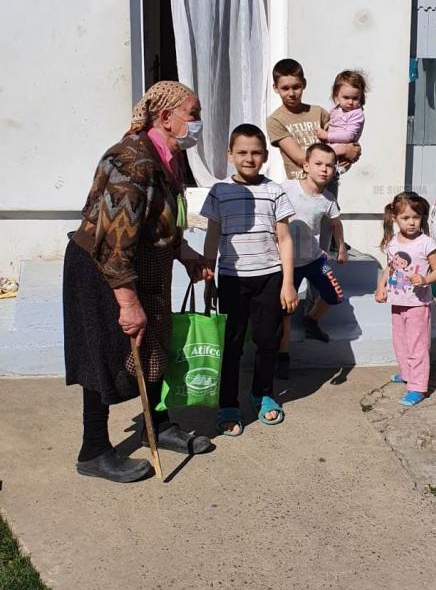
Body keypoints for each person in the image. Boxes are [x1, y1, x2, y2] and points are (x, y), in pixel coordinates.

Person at [63, 81, 215, 483]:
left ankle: (159, 425)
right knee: (107, 355)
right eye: (193, 114)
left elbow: (162, 218)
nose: (198, 123)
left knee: (153, 348)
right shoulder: (133, 160)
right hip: (105, 272)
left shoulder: (168, 156)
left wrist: (185, 255)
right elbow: (114, 242)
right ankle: (93, 449)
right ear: (166, 118)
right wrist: (128, 304)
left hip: (145, 267)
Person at [201, 124, 298, 436]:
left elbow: (284, 239)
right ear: (230, 155)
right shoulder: (219, 192)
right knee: (230, 344)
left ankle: (262, 393)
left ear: (265, 156)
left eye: (256, 152)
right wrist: (208, 277)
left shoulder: (275, 191)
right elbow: (213, 236)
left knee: (267, 340)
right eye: (242, 152)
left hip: (270, 278)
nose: (249, 158)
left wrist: (288, 282)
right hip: (231, 279)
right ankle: (228, 403)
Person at [277, 143, 348, 378]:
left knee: (335, 295)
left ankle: (311, 319)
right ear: (306, 166)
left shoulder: (328, 199)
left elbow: (336, 222)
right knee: (285, 311)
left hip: (315, 258)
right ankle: (283, 355)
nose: (324, 169)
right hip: (288, 263)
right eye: (318, 164)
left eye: (329, 165)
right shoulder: (285, 188)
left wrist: (340, 248)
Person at [375, 192, 436, 407]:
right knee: (401, 342)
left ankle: (418, 386)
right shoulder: (393, 243)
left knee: (417, 345)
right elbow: (389, 268)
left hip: (418, 304)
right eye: (406, 218)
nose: (412, 222)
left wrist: (424, 279)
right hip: (397, 303)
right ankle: (407, 373)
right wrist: (380, 287)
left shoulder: (426, 243)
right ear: (395, 218)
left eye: (416, 217)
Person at [266, 59, 361, 182]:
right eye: (285, 88)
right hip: (300, 187)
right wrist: (343, 150)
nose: (291, 93)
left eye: (296, 87)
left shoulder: (318, 112)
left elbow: (343, 133)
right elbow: (301, 158)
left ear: (304, 84)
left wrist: (355, 147)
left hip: (328, 185)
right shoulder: (275, 120)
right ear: (275, 88)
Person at [315, 70, 367, 175]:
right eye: (346, 98)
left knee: (330, 174)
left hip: (342, 155)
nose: (350, 102)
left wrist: (327, 135)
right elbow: (333, 122)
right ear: (336, 95)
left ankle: (335, 173)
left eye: (355, 98)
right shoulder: (336, 109)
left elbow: (349, 135)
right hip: (333, 148)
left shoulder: (357, 114)